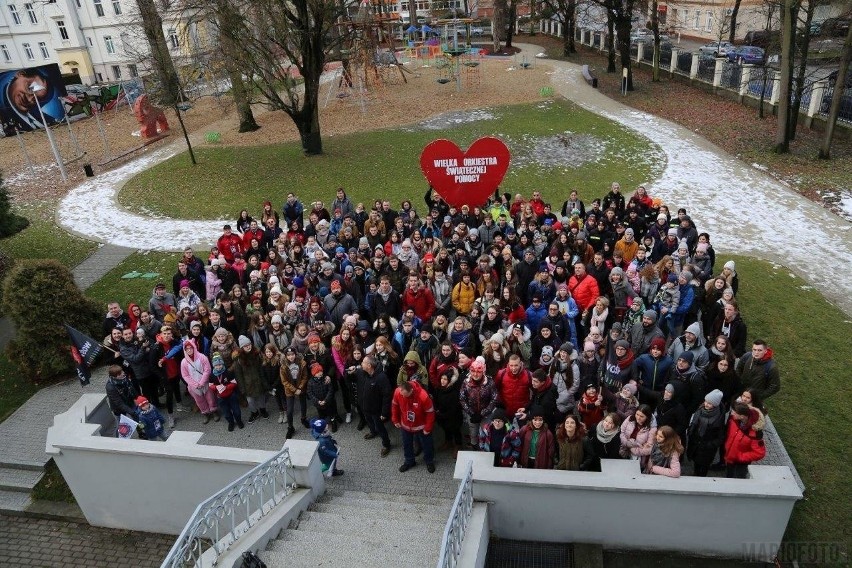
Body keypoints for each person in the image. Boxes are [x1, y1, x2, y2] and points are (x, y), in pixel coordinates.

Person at [391, 379, 436, 473]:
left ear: (411, 390)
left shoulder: (423, 396)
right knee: (407, 445)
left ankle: (429, 461)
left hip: (421, 426)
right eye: (401, 394)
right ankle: (409, 461)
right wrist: (395, 419)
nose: (402, 396)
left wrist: (428, 427)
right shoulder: (398, 392)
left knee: (427, 445)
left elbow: (430, 412)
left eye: (405, 395)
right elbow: (394, 405)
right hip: (406, 425)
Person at [357, 356, 394, 458]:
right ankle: (373, 432)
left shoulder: (381, 378)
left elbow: (387, 396)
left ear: (369, 366)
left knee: (380, 427)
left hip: (376, 410)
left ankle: (386, 444)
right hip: (366, 407)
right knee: (369, 422)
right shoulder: (364, 373)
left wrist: (384, 413)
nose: (361, 364)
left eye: (363, 362)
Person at [686, 389, 727, 477]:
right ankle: (695, 474)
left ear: (715, 404)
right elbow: (693, 423)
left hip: (707, 449)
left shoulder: (719, 418)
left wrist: (710, 445)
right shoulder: (700, 410)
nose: (706, 404)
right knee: (696, 462)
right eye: (706, 401)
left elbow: (720, 437)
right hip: (696, 444)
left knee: (704, 466)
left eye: (709, 403)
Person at [233, 335, 271, 423]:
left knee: (261, 397)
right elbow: (239, 376)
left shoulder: (257, 355)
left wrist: (264, 382)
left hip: (258, 381)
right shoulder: (238, 359)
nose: (248, 347)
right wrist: (242, 388)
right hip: (247, 384)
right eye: (246, 346)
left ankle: (263, 410)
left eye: (249, 344)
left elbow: (262, 369)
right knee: (250, 400)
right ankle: (254, 413)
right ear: (242, 347)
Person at [724, 402, 766, 479]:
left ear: (742, 416)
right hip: (730, 458)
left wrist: (741, 457)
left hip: (740, 463)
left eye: (734, 412)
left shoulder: (754, 434)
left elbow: (759, 453)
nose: (732, 413)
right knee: (729, 476)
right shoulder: (734, 420)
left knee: (737, 480)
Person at [180, 340, 218, 424]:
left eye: (191, 348)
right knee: (199, 401)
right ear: (185, 350)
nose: (189, 350)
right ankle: (206, 413)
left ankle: (214, 411)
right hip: (193, 387)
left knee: (211, 398)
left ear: (194, 347)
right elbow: (185, 375)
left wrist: (202, 382)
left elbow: (207, 370)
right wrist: (195, 384)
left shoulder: (202, 357)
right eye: (187, 349)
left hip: (206, 383)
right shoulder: (183, 362)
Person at [280, 347, 310, 439]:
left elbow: (305, 376)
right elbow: (284, 381)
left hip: (300, 387)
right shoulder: (283, 366)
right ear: (286, 356)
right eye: (288, 355)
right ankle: (290, 427)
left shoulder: (302, 363)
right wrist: (294, 389)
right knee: (289, 410)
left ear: (295, 354)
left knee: (303, 404)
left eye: (292, 354)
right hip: (290, 389)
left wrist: (300, 388)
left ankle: (303, 419)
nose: (291, 357)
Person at [209, 352, 244, 432]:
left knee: (237, 411)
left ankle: (239, 421)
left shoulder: (228, 372)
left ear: (222, 364)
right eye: (216, 365)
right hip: (221, 397)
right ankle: (231, 422)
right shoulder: (212, 375)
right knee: (226, 413)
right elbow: (210, 385)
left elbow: (234, 383)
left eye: (220, 364)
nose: (219, 367)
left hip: (231, 395)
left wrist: (226, 387)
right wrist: (216, 387)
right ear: (213, 365)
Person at [432, 369, 463, 454]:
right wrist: (437, 410)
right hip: (442, 415)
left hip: (453, 417)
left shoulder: (454, 391)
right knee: (446, 429)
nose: (442, 381)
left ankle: (458, 445)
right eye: (442, 378)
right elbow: (435, 400)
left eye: (445, 379)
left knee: (456, 431)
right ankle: (448, 442)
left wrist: (442, 415)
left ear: (450, 380)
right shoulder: (439, 389)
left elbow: (454, 408)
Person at [105, 365, 140, 436]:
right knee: (121, 424)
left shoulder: (124, 378)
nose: (123, 373)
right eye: (120, 373)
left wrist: (138, 399)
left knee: (137, 419)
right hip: (118, 409)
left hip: (130, 402)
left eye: (122, 371)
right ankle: (118, 438)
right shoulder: (110, 387)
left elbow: (132, 388)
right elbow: (119, 403)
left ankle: (141, 432)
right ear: (115, 376)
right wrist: (131, 412)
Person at [307, 362, 338, 432]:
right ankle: (322, 426)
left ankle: (334, 423)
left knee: (331, 413)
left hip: (328, 401)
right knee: (321, 415)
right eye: (318, 372)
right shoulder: (310, 382)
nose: (320, 373)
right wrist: (317, 401)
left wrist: (326, 400)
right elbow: (310, 393)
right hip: (318, 403)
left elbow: (330, 390)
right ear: (314, 373)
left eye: (321, 371)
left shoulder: (326, 379)